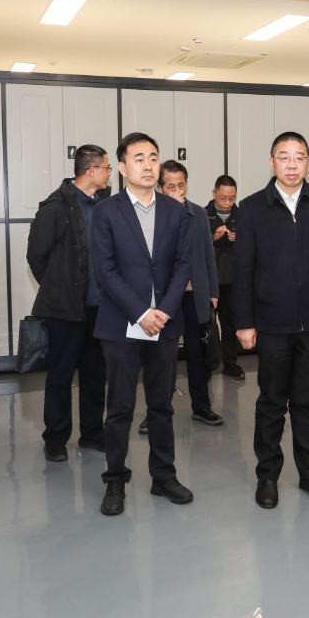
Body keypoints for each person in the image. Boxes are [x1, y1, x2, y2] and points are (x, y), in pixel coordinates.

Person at [233, 131, 309, 509]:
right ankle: (267, 476)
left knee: (307, 402)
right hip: (271, 324)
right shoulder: (252, 207)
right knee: (271, 403)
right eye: (284, 157)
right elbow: (243, 270)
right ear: (272, 162)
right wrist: (244, 321)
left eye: (299, 157)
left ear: (308, 163)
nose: (291, 164)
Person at [90, 132, 193, 516]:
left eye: (153, 157)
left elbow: (183, 264)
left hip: (163, 324)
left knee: (161, 406)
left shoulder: (174, 211)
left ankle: (163, 476)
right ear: (121, 167)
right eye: (138, 158)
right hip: (122, 325)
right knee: (119, 408)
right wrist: (141, 313)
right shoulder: (106, 211)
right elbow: (105, 271)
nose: (148, 165)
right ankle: (115, 479)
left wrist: (162, 312)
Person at [26, 144, 112, 462]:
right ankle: (56, 438)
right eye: (107, 168)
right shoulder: (55, 207)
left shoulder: (105, 204)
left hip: (99, 308)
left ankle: (92, 433)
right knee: (60, 376)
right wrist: (58, 287)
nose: (109, 173)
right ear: (92, 170)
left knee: (95, 375)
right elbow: (36, 256)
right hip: (64, 309)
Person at [150, 160, 223, 429]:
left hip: (194, 294)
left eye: (181, 185)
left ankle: (201, 406)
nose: (177, 190)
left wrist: (212, 291)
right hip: (165, 297)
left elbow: (208, 255)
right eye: (170, 186)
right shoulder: (151, 215)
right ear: (159, 188)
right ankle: (156, 411)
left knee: (197, 353)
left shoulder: (198, 214)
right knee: (163, 357)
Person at [206, 175, 245, 380]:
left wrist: (240, 240)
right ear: (214, 194)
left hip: (232, 280)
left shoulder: (243, 217)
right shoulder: (203, 215)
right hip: (208, 281)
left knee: (230, 325)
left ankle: (231, 364)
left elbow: (253, 248)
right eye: (223, 198)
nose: (227, 203)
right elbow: (194, 247)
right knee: (206, 325)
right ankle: (207, 364)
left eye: (232, 198)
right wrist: (213, 238)